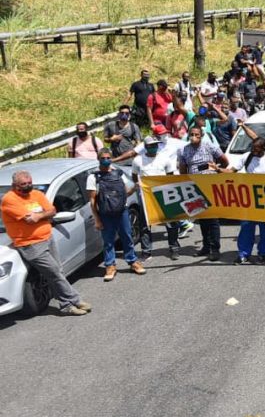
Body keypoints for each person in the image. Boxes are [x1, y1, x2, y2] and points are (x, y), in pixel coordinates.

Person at [1, 170, 92, 315]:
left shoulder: (37, 194)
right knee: (54, 272)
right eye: (23, 184)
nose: (27, 186)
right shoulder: (9, 199)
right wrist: (43, 215)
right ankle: (75, 300)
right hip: (30, 245)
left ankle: (65, 305)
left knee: (57, 272)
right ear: (15, 185)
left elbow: (52, 211)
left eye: (29, 183)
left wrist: (39, 216)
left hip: (48, 237)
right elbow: (29, 219)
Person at [87, 148, 143, 281]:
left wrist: (134, 188)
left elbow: (124, 193)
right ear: (98, 159)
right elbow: (93, 200)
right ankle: (110, 266)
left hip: (122, 211)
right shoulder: (93, 177)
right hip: (105, 214)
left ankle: (132, 261)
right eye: (103, 158)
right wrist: (97, 219)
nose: (106, 160)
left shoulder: (118, 173)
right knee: (108, 242)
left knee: (127, 237)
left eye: (108, 158)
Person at [177, 126, 230, 262]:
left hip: (211, 187)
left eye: (197, 134)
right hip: (195, 188)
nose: (194, 136)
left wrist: (216, 168)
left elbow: (225, 161)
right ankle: (206, 246)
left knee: (212, 219)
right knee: (203, 218)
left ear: (201, 136)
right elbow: (183, 171)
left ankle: (215, 249)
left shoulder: (209, 146)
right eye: (192, 134)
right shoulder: (184, 150)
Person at [130, 135, 181, 260]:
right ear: (146, 147)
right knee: (145, 224)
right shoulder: (138, 160)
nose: (154, 147)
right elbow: (135, 176)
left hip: (163, 195)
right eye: (151, 146)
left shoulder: (165, 158)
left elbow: (170, 176)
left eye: (156, 145)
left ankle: (174, 248)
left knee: (170, 222)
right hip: (146, 196)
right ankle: (146, 251)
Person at [232, 138, 265, 265]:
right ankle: (243, 254)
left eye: (256, 148)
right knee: (246, 227)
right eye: (252, 147)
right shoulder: (247, 157)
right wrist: (219, 171)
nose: (253, 150)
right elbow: (231, 171)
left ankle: (263, 254)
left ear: (263, 148)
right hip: (249, 200)